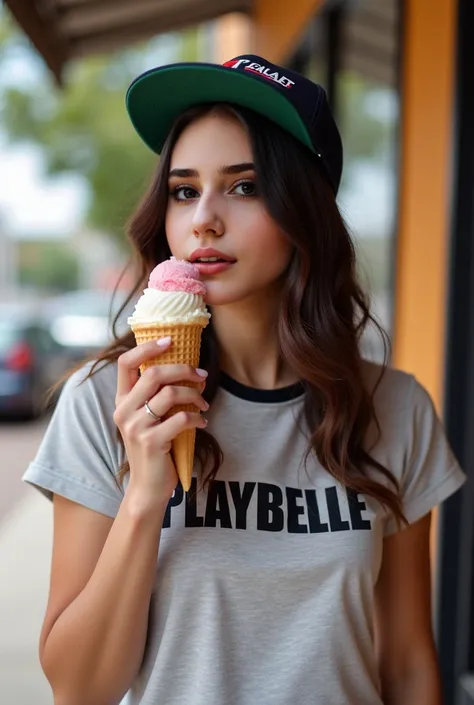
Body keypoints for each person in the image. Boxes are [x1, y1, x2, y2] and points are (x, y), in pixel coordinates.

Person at [23, 54, 465, 705]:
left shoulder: (394, 409)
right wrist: (146, 492)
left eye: (244, 186)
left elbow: (405, 663)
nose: (203, 217)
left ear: (304, 208)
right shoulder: (105, 404)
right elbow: (80, 688)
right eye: (183, 190)